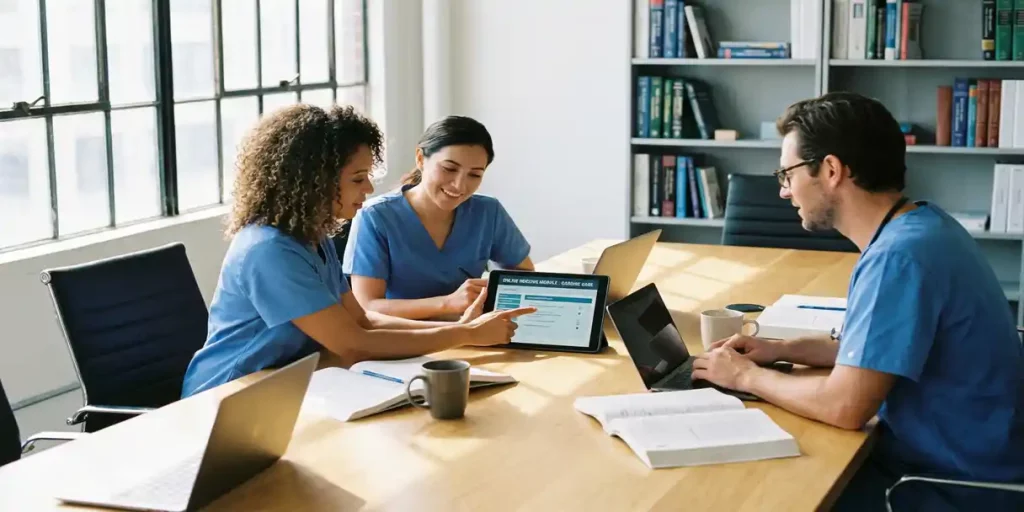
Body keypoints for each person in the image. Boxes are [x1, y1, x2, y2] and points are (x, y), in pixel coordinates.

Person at [692, 92, 1024, 511]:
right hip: (973, 461)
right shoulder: (924, 225)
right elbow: (871, 351)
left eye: (787, 174)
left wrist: (744, 376)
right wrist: (780, 350)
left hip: (946, 488)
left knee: (758, 492)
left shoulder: (897, 260)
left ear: (831, 170)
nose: (784, 191)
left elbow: (844, 406)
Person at [181, 105, 535, 398]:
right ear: (314, 180)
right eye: (357, 178)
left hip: (287, 384)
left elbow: (364, 320)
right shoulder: (268, 251)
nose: (368, 188)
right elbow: (353, 344)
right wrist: (466, 334)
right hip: (226, 395)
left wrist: (462, 327)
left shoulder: (313, 237)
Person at [343, 116, 534, 320]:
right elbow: (367, 306)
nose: (459, 185)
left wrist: (495, 292)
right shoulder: (375, 216)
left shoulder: (488, 212)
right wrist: (448, 303)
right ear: (420, 158)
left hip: (471, 332)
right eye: (449, 169)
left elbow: (525, 276)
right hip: (403, 335)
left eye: (475, 175)